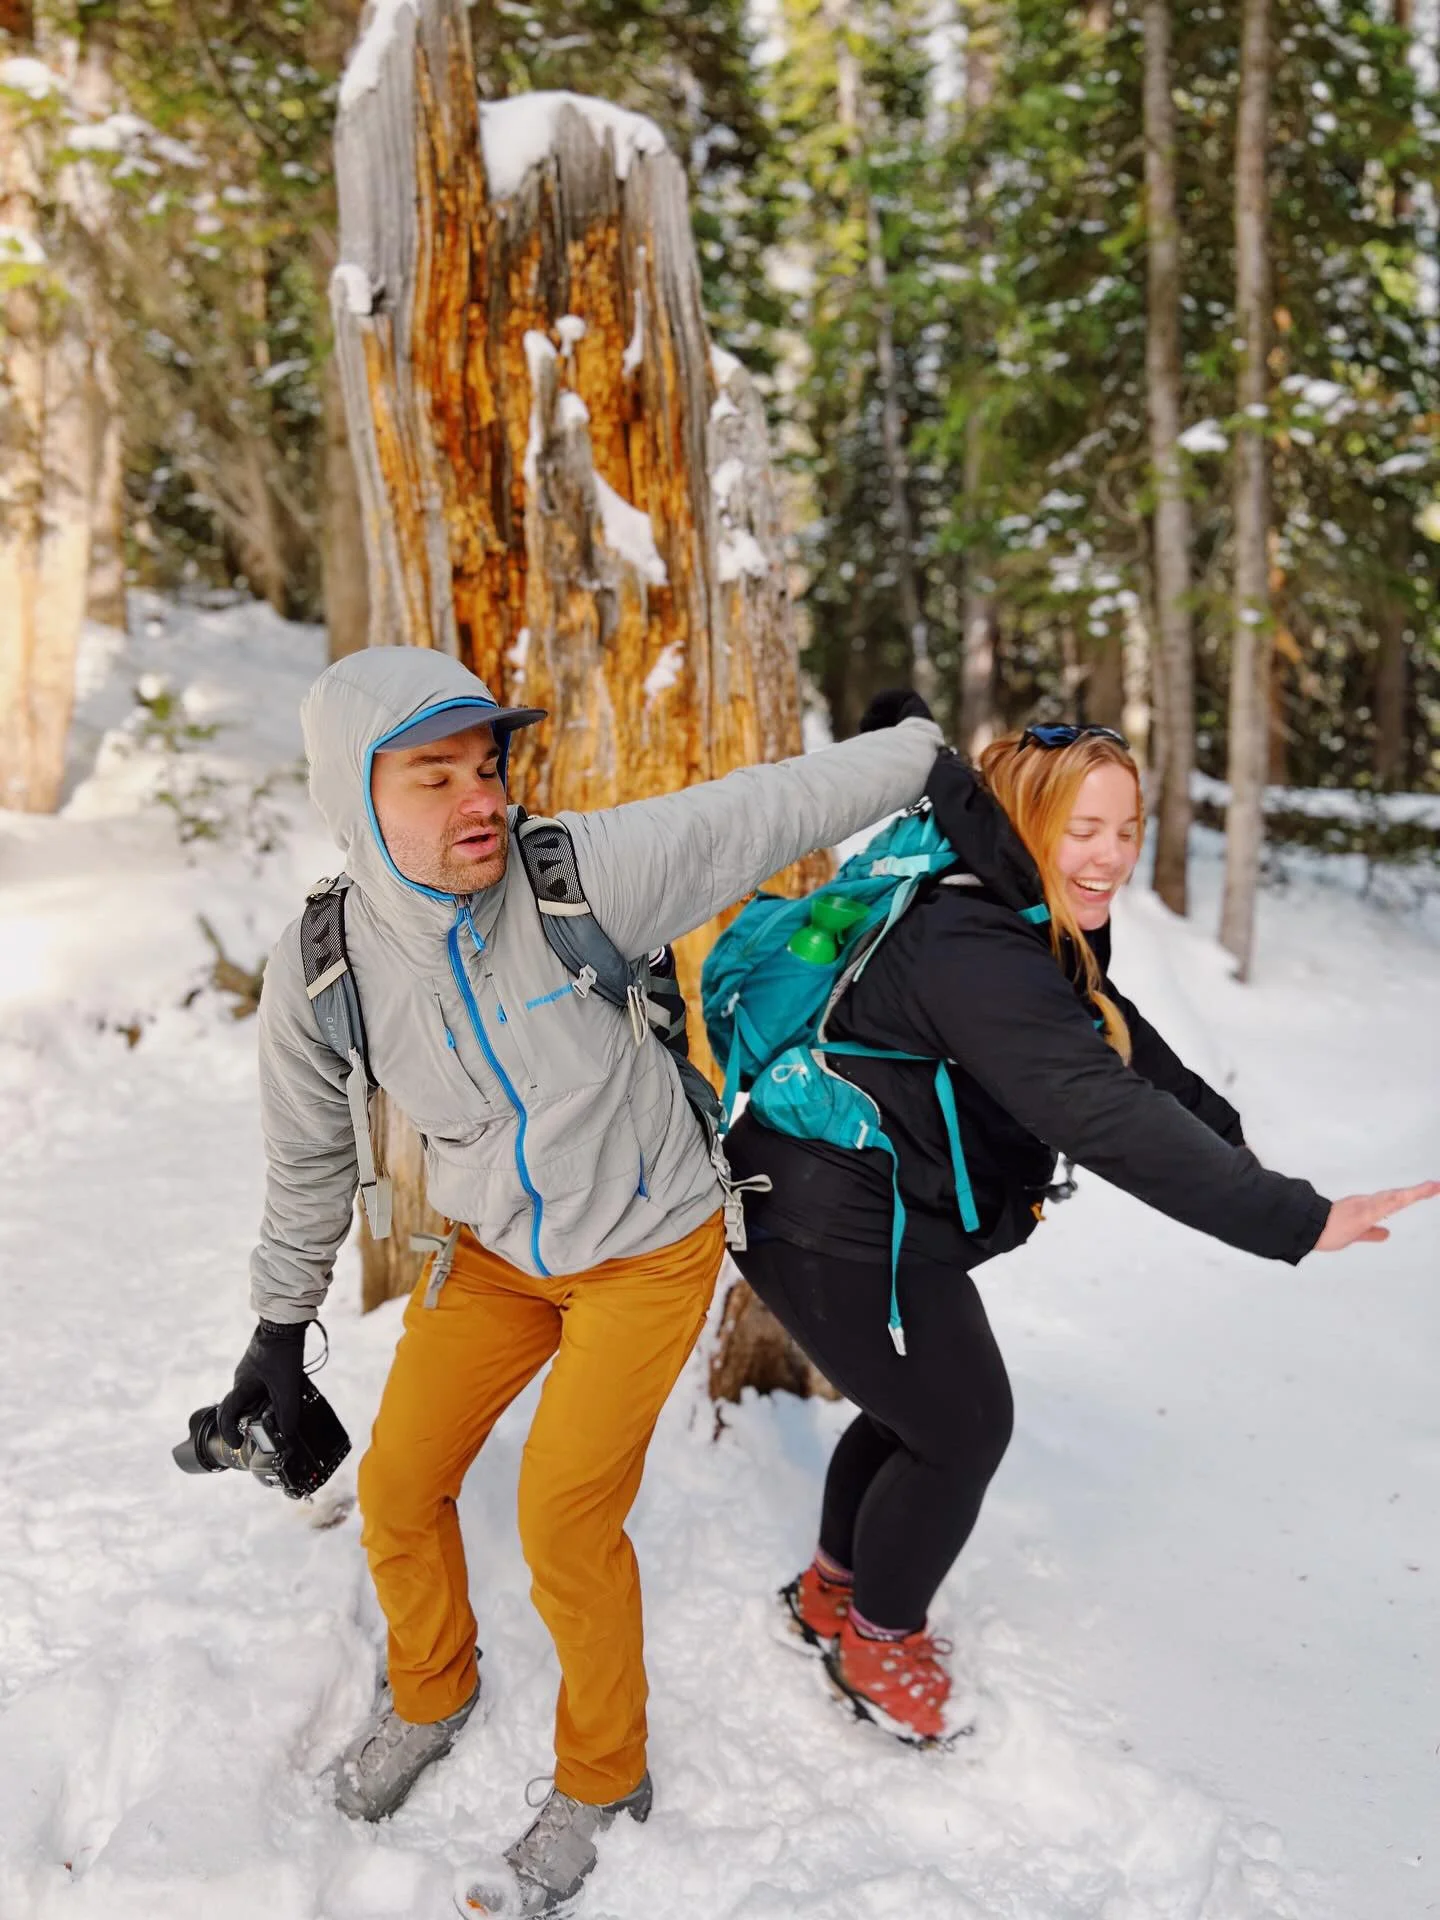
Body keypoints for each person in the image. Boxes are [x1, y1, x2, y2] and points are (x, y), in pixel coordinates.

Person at [216, 645, 942, 1913]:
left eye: (486, 765)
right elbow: (305, 1161)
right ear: (354, 797)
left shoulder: (581, 877)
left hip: (648, 1249)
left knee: (562, 1515)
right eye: (432, 776)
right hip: (492, 1255)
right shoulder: (321, 968)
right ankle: (432, 1693)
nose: (479, 797)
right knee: (398, 1484)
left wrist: (934, 755)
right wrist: (278, 1332)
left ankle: (605, 1774)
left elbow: (775, 801)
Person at [724, 716, 1440, 1748]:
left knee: (912, 1413)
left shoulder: (1019, 915)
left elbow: (1119, 1044)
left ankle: (831, 1596)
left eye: (1128, 827)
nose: (1109, 854)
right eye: (1083, 828)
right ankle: (878, 1640)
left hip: (865, 1208)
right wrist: (1293, 1219)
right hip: (820, 1219)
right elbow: (1094, 1108)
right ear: (1027, 818)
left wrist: (1233, 1149)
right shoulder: (971, 944)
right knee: (962, 1428)